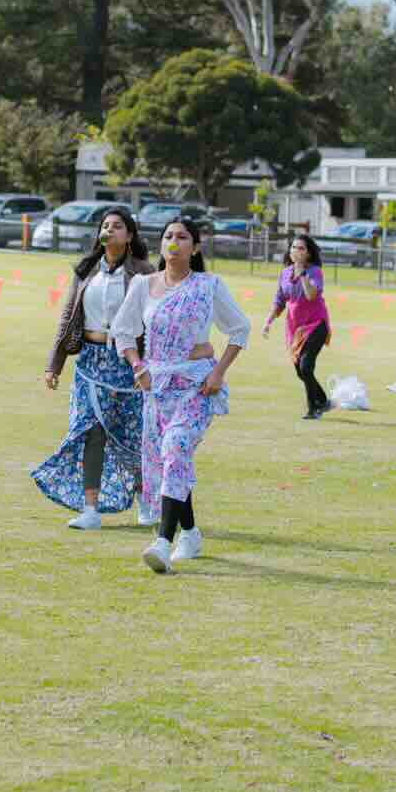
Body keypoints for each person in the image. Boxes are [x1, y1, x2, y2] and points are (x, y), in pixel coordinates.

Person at [113, 218, 251, 574]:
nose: (174, 241)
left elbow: (239, 328)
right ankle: (189, 533)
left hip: (196, 385)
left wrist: (219, 372)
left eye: (183, 236)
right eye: (168, 236)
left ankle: (162, 541)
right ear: (160, 245)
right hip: (157, 387)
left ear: (196, 247)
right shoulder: (143, 285)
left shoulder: (208, 286)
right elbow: (124, 332)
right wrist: (137, 365)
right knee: (170, 460)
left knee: (175, 446)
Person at [36, 209, 163, 528]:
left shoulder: (144, 272)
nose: (110, 230)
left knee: (132, 436)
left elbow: (154, 322)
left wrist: (148, 366)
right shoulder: (85, 270)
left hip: (128, 363)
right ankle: (90, 510)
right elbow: (67, 317)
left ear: (129, 236)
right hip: (90, 362)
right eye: (105, 225)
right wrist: (55, 364)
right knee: (91, 431)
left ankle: (145, 497)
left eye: (117, 226)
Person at [263, 234, 332, 419]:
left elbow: (311, 295)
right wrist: (268, 320)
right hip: (295, 327)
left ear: (308, 253)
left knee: (306, 367)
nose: (296, 251)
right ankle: (323, 400)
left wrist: (302, 274)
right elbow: (279, 300)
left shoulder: (315, 272)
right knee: (300, 371)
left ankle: (314, 409)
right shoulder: (285, 273)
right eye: (294, 247)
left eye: (301, 248)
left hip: (316, 323)